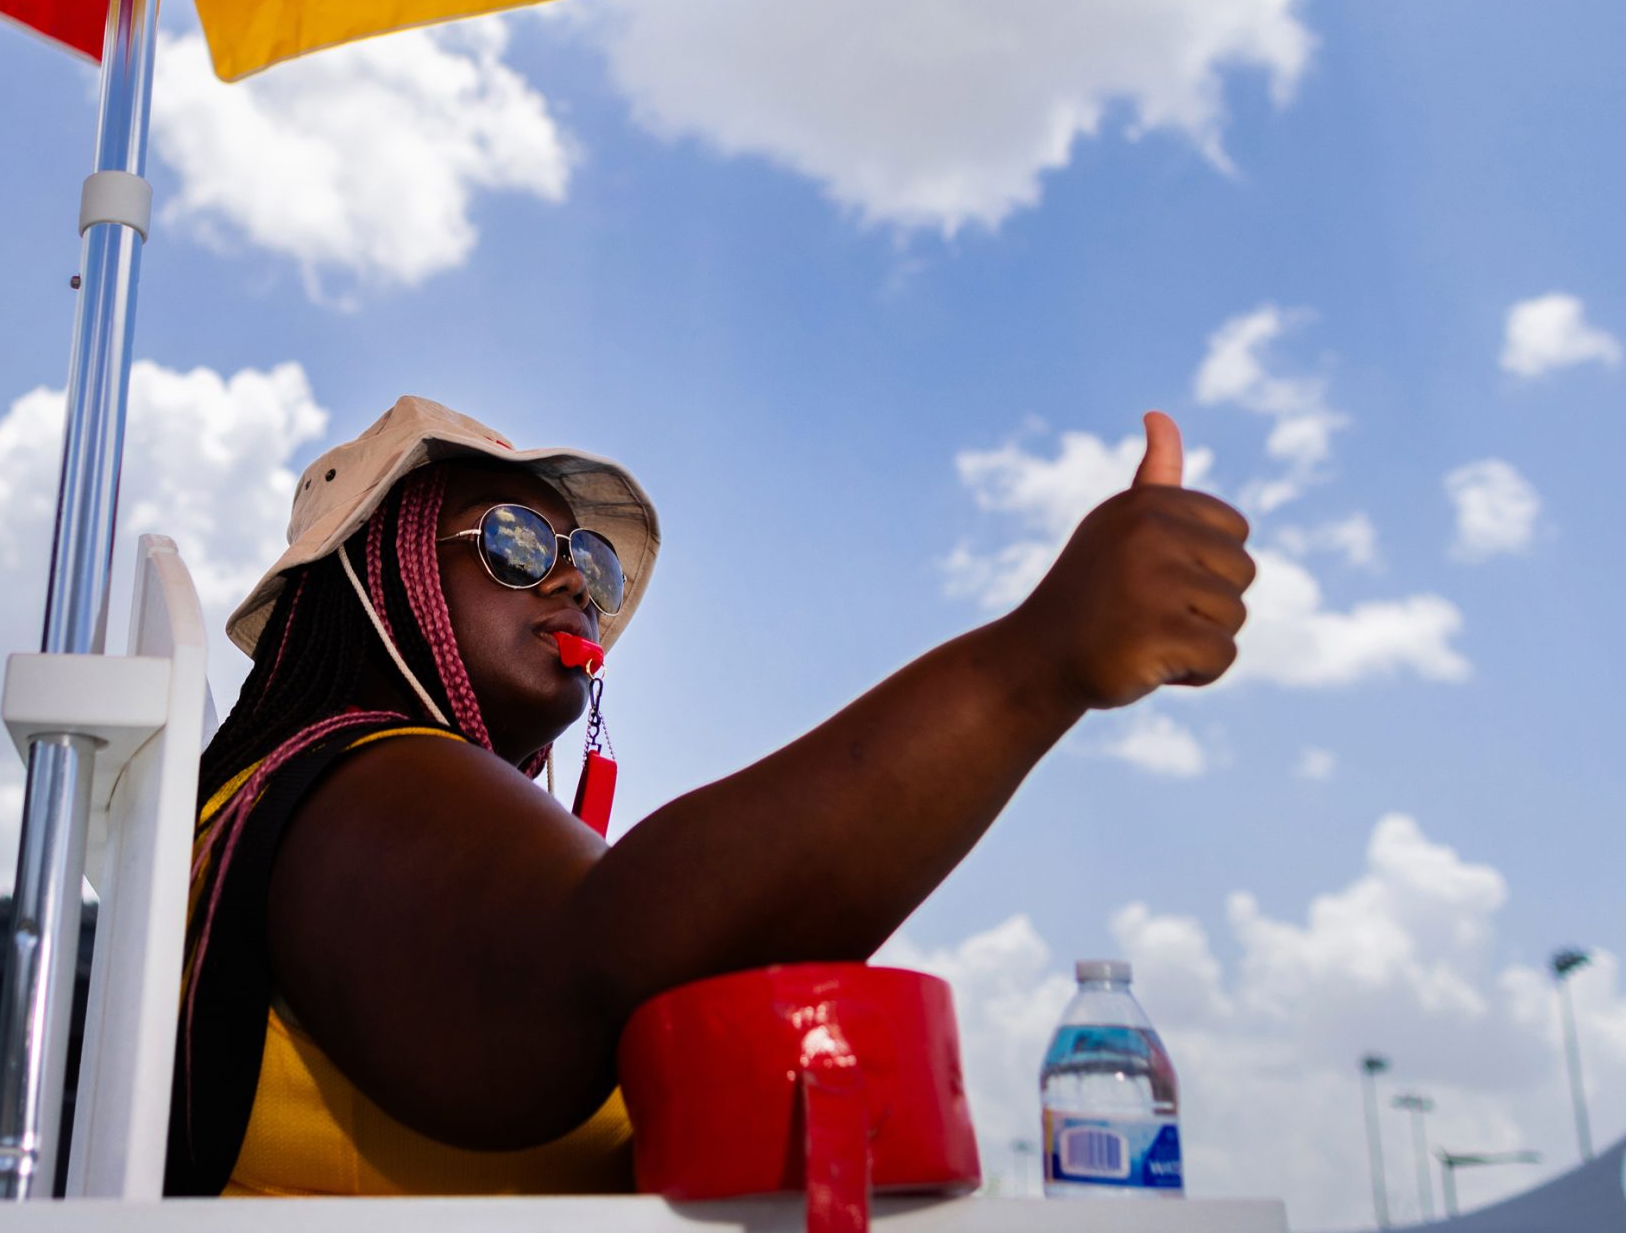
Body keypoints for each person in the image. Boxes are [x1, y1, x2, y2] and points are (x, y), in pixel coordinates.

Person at [171, 396, 1253, 1197]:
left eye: (587, 564)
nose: (567, 582)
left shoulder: (336, 811)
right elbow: (607, 961)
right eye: (512, 542)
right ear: (371, 578)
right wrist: (1034, 663)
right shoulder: (350, 781)